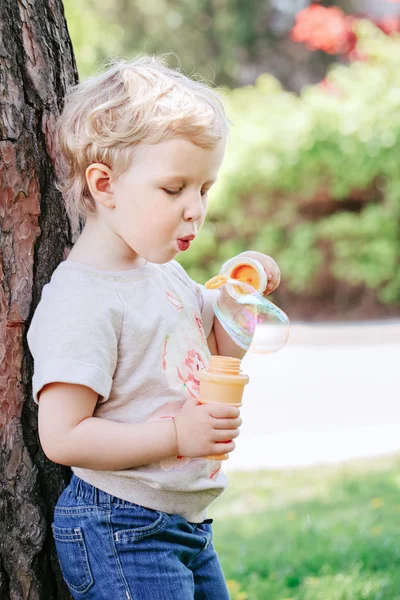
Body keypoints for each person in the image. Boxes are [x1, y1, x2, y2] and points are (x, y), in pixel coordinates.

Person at [27, 56, 281, 600]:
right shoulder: (83, 299)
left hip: (183, 525)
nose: (195, 210)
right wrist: (175, 437)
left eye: (204, 189)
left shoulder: (162, 271)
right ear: (105, 184)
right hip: (121, 528)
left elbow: (220, 351)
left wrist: (240, 295)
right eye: (174, 190)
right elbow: (62, 436)